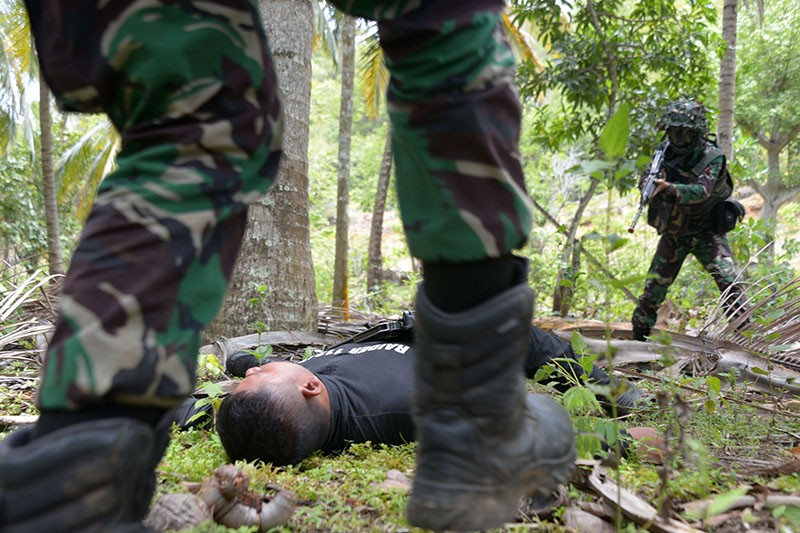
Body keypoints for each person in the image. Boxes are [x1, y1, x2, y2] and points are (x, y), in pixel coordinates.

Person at [0, 2, 575, 531]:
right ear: (303, 387)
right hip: (447, 376)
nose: (248, 374)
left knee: (195, 107)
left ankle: (73, 475)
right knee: (436, 20)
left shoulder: (315, 393)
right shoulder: (370, 403)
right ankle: (477, 410)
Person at [200, 323, 644, 466]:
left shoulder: (284, 403)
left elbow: (228, 400)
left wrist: (239, 365)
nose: (257, 370)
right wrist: (615, 441)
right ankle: (615, 393)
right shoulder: (410, 406)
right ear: (309, 386)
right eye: (259, 374)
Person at [631, 97, 747, 342]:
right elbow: (646, 178)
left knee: (730, 284)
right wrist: (649, 185)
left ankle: (750, 343)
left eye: (684, 131)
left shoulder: (711, 156)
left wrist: (669, 188)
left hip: (707, 232)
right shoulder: (663, 153)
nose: (678, 137)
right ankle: (638, 345)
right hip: (675, 233)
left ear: (696, 132)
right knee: (652, 292)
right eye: (674, 130)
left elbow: (701, 191)